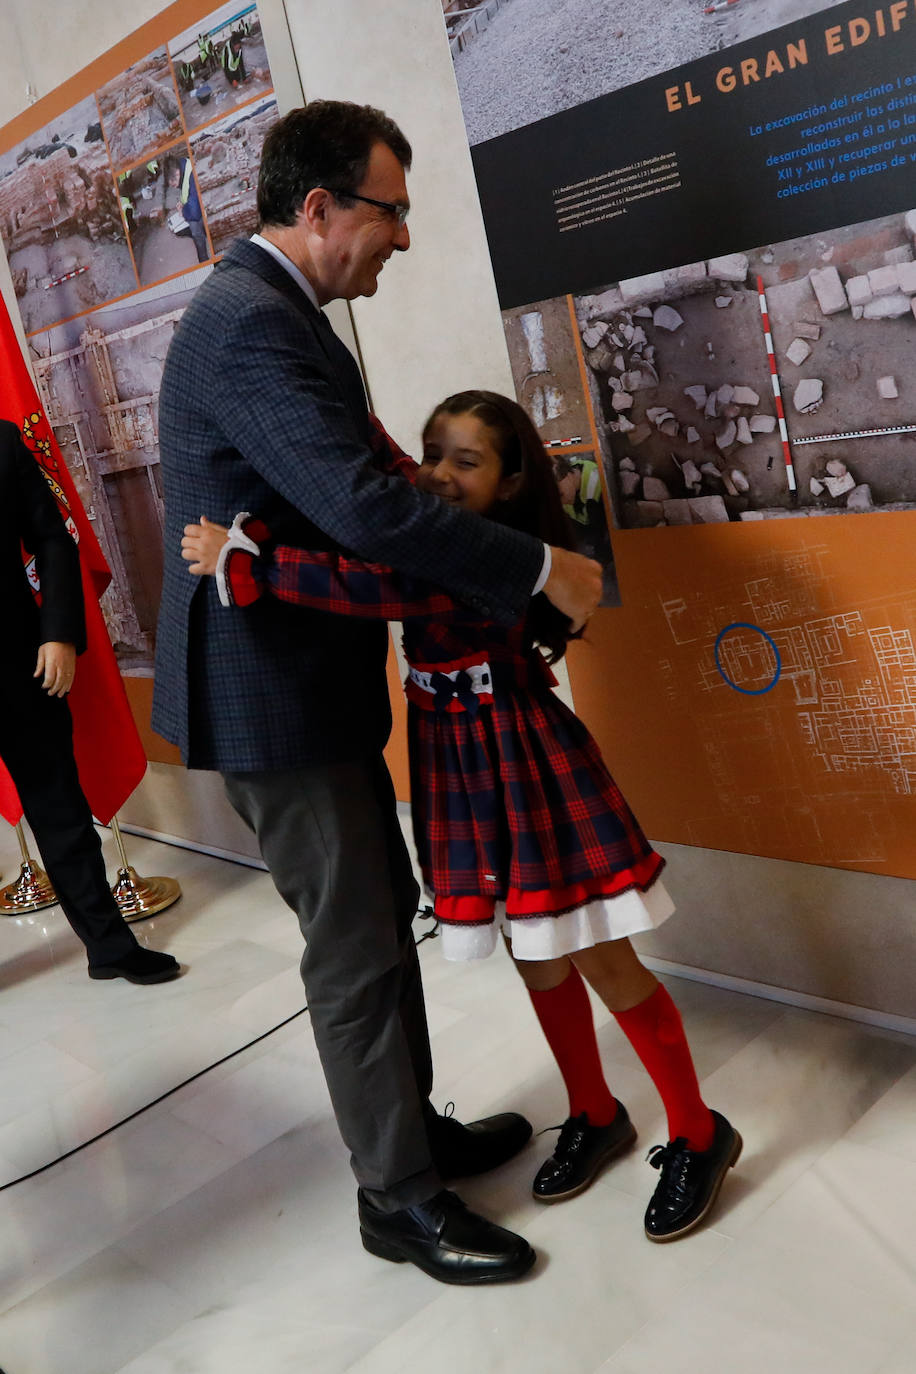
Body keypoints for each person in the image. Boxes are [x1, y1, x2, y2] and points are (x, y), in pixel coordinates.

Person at [152, 101, 602, 1284]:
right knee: (352, 943)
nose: (401, 238)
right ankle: (396, 1198)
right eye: (390, 210)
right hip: (271, 694)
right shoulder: (251, 324)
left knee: (378, 906)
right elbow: (362, 509)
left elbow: (372, 476)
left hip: (313, 679)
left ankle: (415, 1133)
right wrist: (538, 565)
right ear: (320, 208)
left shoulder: (290, 314)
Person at [183, 390, 742, 1243]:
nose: (437, 474)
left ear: (512, 481)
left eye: (466, 461)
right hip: (463, 771)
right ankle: (595, 1110)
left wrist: (248, 558)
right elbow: (393, 507)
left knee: (598, 952)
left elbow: (374, 586)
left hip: (526, 769)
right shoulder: (446, 525)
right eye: (430, 452)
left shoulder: (484, 559)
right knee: (536, 953)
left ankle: (700, 1134)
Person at [0, 419, 180, 985]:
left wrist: (58, 632)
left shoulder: (3, 441)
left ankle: (109, 947)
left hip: (16, 662)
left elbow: (53, 535)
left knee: (62, 813)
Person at [170, 156, 209, 264]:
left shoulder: (191, 175)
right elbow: (186, 191)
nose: (174, 187)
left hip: (197, 211)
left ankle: (204, 262)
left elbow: (194, 213)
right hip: (195, 206)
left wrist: (184, 211)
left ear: (177, 174)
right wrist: (182, 202)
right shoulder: (183, 168)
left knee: (196, 231)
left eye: (173, 184)